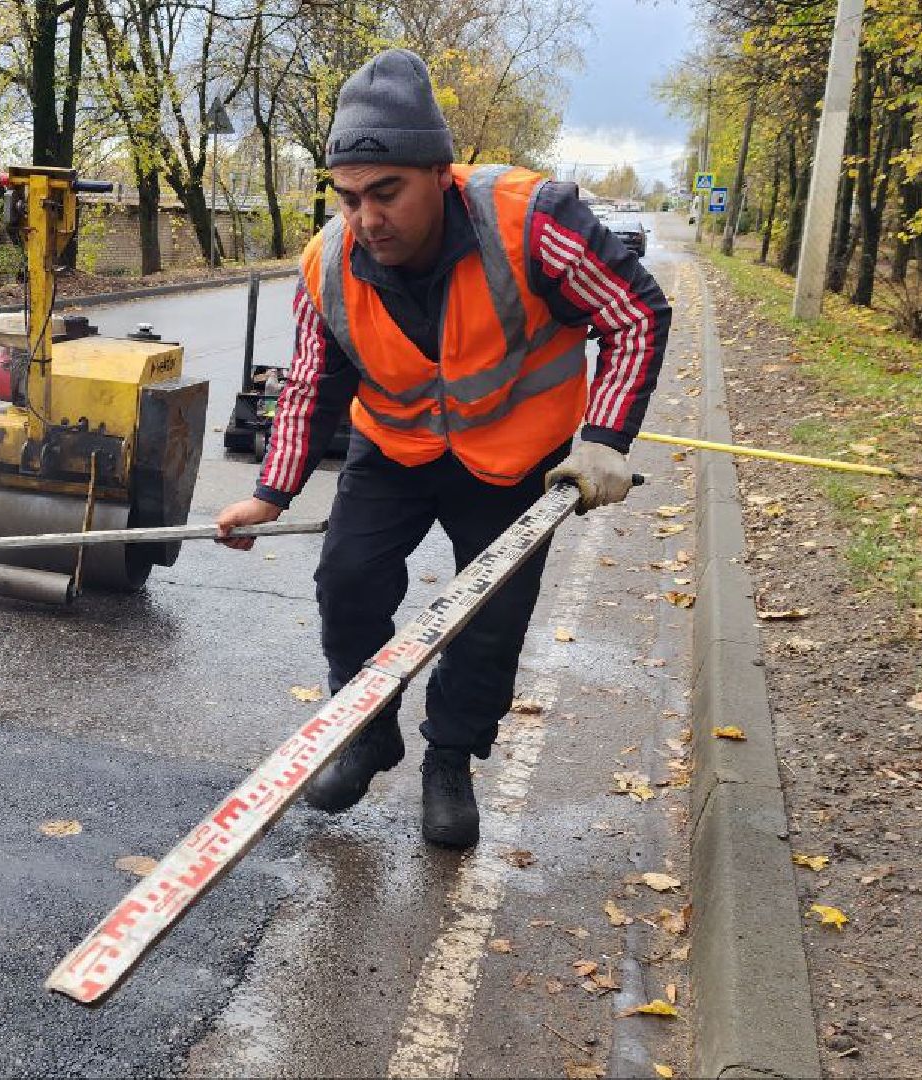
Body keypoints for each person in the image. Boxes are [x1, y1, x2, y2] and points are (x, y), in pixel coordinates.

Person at [215, 49, 670, 848]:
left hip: (513, 456)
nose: (365, 218)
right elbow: (310, 384)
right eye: (349, 198)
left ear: (439, 172)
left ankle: (450, 758)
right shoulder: (327, 263)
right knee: (346, 583)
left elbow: (633, 314)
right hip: (394, 449)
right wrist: (271, 492)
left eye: (385, 193)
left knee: (488, 619)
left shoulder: (533, 221)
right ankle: (367, 729)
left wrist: (602, 439)